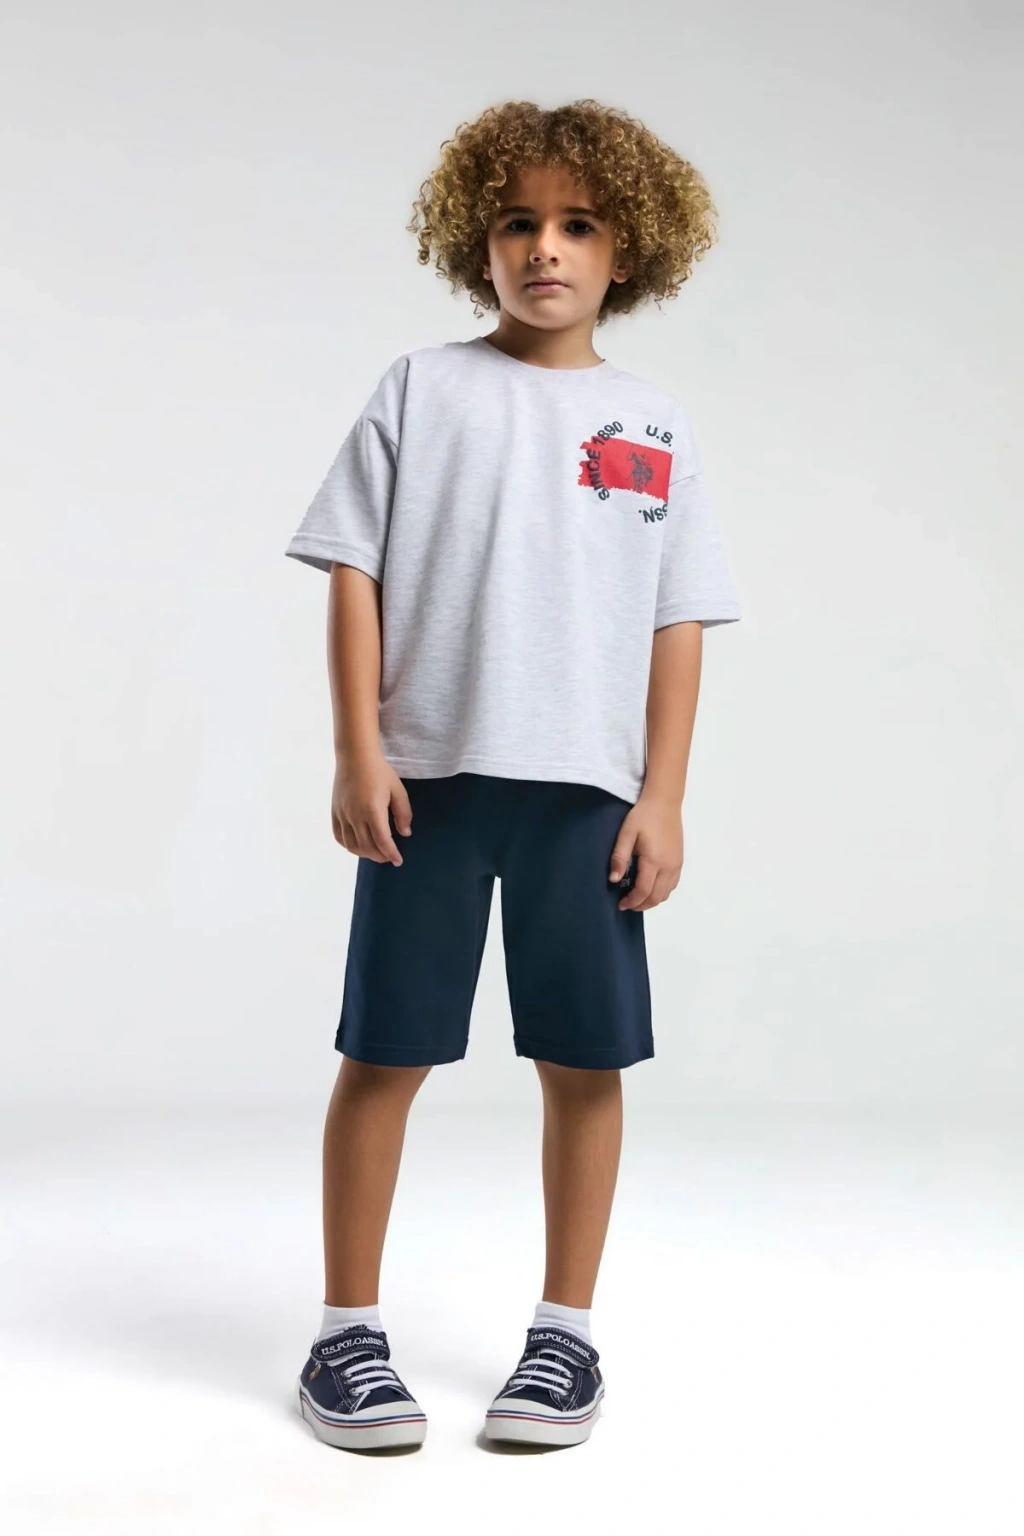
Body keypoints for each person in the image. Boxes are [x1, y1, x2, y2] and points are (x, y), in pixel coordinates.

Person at [284, 97, 741, 1452]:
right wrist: (358, 747)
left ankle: (565, 1338)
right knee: (384, 1051)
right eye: (519, 222)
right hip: (426, 786)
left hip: (588, 801)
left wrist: (664, 795)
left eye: (579, 225)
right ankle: (345, 1334)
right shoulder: (420, 388)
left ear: (626, 251)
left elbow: (677, 620)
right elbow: (353, 572)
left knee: (583, 1063)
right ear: (474, 241)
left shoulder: (652, 422)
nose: (546, 248)